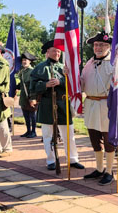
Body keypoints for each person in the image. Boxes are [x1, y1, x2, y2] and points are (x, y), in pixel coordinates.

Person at [81, 31, 118, 185]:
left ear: (109, 46)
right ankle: (99, 168)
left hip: (107, 106)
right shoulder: (89, 63)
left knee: (109, 140)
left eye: (103, 45)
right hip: (91, 105)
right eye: (96, 44)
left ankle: (109, 171)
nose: (98, 47)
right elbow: (82, 83)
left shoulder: (115, 62)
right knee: (95, 139)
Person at [30, 41, 84, 171]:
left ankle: (73, 159)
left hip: (63, 103)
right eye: (54, 51)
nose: (57, 53)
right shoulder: (40, 68)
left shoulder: (65, 68)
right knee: (48, 135)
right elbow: (32, 87)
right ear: (48, 52)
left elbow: (74, 84)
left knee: (68, 134)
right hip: (47, 104)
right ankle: (51, 160)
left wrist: (61, 81)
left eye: (59, 51)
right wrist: (45, 85)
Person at [17, 52, 37, 138]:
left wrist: (32, 98)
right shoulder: (22, 72)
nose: (24, 62)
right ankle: (28, 130)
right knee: (26, 115)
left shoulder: (32, 71)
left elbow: (33, 86)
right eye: (23, 60)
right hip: (23, 97)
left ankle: (33, 131)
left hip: (30, 97)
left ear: (30, 61)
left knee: (32, 115)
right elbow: (21, 84)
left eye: (26, 60)